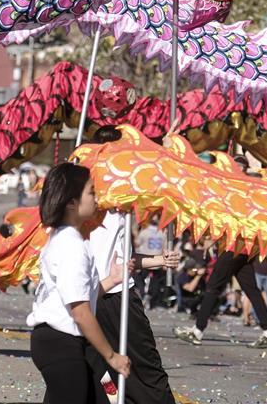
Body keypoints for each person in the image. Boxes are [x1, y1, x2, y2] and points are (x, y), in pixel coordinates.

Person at [85, 123, 180, 404]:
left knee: (144, 368)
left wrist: (160, 260)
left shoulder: (123, 206)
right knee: (99, 373)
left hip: (119, 297)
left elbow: (123, 260)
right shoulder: (86, 204)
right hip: (95, 298)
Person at [27, 162, 131, 403]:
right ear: (72, 202)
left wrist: (113, 279)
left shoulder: (69, 240)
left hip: (74, 345)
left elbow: (83, 295)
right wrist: (112, 356)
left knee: (107, 395)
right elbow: (80, 311)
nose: (97, 198)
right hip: (61, 343)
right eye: (91, 192)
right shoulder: (71, 245)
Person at [173, 250, 267, 348]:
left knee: (213, 288)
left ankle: (197, 331)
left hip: (232, 248)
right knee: (252, 291)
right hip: (246, 251)